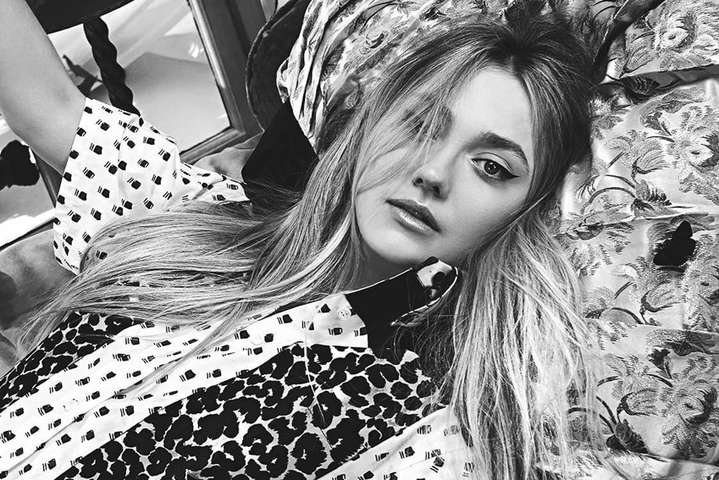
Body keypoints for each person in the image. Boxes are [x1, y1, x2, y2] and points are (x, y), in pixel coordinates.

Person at [0, 0, 597, 479]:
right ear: (367, 128)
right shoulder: (191, 211)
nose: (433, 173)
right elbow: (48, 102)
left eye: (492, 166)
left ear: (524, 215)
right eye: (419, 124)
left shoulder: (425, 438)